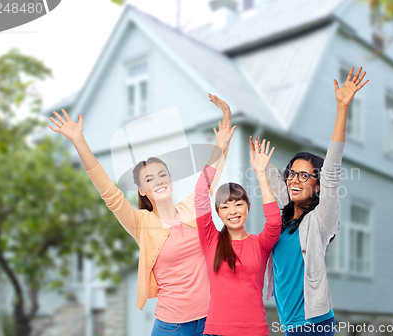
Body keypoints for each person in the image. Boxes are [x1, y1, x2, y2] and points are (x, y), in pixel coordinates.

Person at [48, 94, 233, 336]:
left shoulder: (191, 207)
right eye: (149, 178)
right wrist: (78, 140)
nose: (158, 180)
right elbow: (109, 193)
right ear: (143, 190)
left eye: (162, 174)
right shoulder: (142, 223)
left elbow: (211, 177)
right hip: (172, 327)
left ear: (171, 180)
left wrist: (223, 132)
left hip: (210, 321)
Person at [253, 67, 369, 336]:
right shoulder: (285, 213)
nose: (294, 180)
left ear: (317, 184)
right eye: (291, 173)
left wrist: (342, 108)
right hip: (289, 325)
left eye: (304, 175)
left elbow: (332, 169)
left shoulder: (320, 221)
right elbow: (272, 178)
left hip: (313, 325)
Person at [194, 136, 281, 336]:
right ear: (218, 213)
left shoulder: (260, 244)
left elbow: (275, 222)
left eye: (238, 204)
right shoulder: (211, 240)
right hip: (216, 331)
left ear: (248, 207)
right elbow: (200, 193)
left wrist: (261, 173)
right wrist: (219, 150)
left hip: (255, 331)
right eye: (225, 206)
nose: (232, 211)